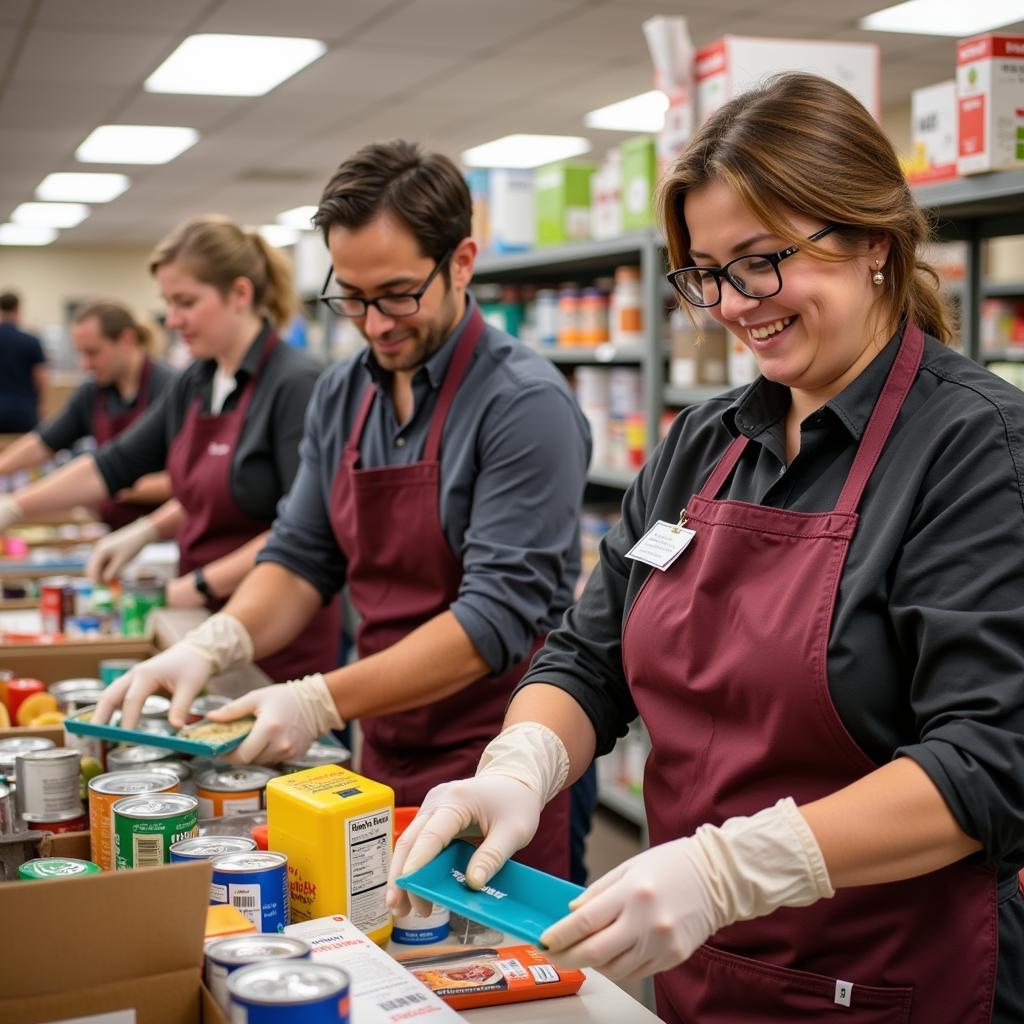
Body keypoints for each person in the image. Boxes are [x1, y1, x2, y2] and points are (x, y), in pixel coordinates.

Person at [387, 73, 1024, 1023]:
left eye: (762, 260)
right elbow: (588, 657)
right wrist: (518, 765)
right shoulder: (703, 443)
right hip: (697, 972)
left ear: (874, 245)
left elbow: (991, 761)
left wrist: (731, 870)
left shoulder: (978, 448)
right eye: (707, 273)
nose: (732, 304)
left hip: (890, 981)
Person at [94, 141, 592, 878]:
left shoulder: (524, 406)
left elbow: (491, 622)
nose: (375, 323)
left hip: (501, 760)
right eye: (351, 298)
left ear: (460, 262)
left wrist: (319, 698)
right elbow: (300, 556)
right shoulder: (342, 392)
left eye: (396, 293)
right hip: (385, 732)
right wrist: (215, 643)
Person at [0, 215, 339, 687]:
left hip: (278, 634)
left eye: (186, 302)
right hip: (202, 615)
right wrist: (14, 507)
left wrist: (197, 585)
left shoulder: (294, 383)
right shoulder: (196, 382)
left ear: (240, 294)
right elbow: (113, 465)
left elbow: (302, 528)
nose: (171, 320)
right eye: (168, 303)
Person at [0, 301, 175, 528]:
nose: (85, 364)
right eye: (80, 353)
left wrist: (102, 484)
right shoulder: (94, 393)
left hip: (163, 532)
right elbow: (45, 442)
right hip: (111, 526)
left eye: (93, 352)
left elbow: (183, 482)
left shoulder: (169, 389)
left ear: (126, 340)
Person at [0, 291, 47, 433]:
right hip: (24, 411)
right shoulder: (31, 341)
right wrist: (41, 406)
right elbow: (40, 377)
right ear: (18, 310)